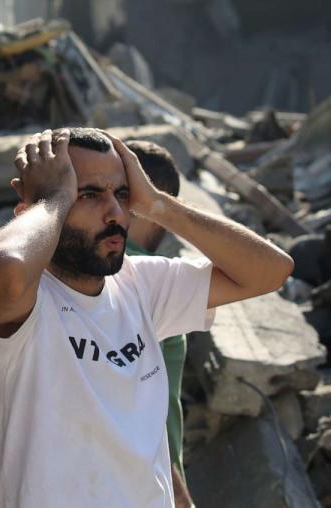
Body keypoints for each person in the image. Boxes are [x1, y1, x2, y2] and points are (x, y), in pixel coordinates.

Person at [0, 128, 293, 508]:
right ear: (32, 210)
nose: (115, 213)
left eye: (121, 194)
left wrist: (155, 204)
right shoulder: (24, 304)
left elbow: (271, 271)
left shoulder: (142, 285)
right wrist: (53, 197)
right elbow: (4, 265)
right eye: (87, 194)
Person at [123, 140, 193, 508]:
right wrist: (180, 499)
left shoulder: (86, 272)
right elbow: (129, 404)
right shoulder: (144, 280)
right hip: (147, 489)